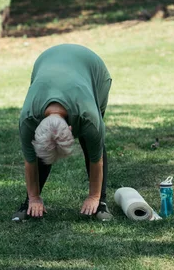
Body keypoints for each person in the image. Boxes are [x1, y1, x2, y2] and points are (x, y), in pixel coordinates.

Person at [12, 44, 113, 221]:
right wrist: (34, 198)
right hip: (46, 59)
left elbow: (96, 159)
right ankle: (30, 200)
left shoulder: (88, 118)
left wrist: (94, 197)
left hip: (92, 67)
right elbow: (30, 161)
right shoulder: (28, 119)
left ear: (72, 129)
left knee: (92, 142)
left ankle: (101, 202)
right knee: (46, 146)